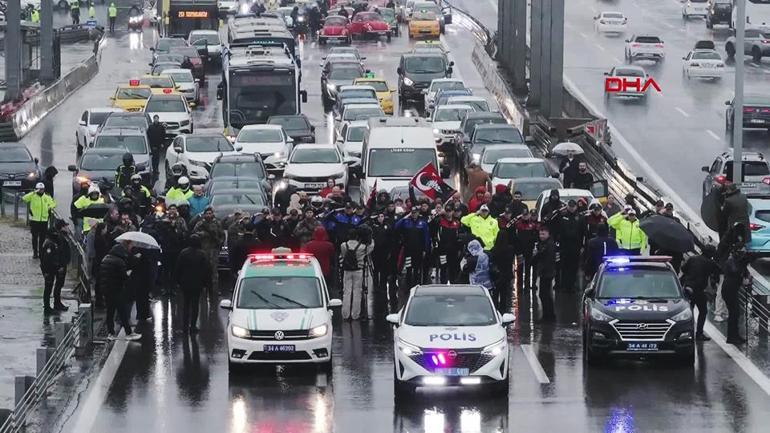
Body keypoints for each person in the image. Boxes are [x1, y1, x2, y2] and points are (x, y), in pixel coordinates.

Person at [99, 239, 142, 341]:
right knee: (122, 311)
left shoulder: (106, 258)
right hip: (116, 289)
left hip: (106, 289)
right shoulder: (119, 261)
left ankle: (111, 333)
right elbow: (124, 277)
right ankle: (128, 333)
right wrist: (129, 272)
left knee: (110, 312)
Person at [681, 244, 721, 342]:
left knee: (687, 312)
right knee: (703, 312)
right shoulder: (710, 263)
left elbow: (683, 269)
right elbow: (719, 270)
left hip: (688, 287)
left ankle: (685, 333)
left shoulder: (692, 258)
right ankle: (699, 334)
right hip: (698, 290)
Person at [174, 234, 212, 333]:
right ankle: (193, 326)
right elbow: (207, 270)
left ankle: (185, 326)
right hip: (197, 283)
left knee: (186, 305)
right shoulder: (202, 254)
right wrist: (206, 284)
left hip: (185, 283)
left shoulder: (183, 253)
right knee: (195, 305)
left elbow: (178, 268)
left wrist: (177, 281)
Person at [340, 228, 374, 320]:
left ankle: (345, 314)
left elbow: (343, 255)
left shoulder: (343, 245)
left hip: (347, 270)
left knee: (346, 292)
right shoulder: (362, 247)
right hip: (358, 270)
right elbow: (371, 247)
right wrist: (370, 237)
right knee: (357, 292)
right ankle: (355, 314)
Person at [395, 206, 431, 290]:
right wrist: (405, 217)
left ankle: (416, 287)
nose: (414, 214)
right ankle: (407, 287)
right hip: (408, 250)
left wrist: (426, 249)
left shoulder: (423, 223)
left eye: (416, 213)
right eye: (413, 213)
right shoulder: (406, 222)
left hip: (418, 250)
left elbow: (426, 237)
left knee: (416, 269)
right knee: (408, 269)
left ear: (418, 213)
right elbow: (396, 226)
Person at [40, 223, 71, 314]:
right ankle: (47, 306)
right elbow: (47, 259)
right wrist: (56, 267)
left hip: (55, 268)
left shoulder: (54, 241)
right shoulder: (50, 243)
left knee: (56, 286)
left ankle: (55, 304)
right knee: (48, 288)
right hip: (50, 270)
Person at [722, 247, 751, 345]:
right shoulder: (731, 261)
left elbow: (746, 274)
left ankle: (735, 334)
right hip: (728, 290)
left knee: (736, 313)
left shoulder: (740, 263)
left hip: (734, 290)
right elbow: (735, 271)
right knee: (733, 313)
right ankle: (731, 337)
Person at [193, 207, 224, 291]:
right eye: (207, 213)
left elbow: (222, 235)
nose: (208, 215)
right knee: (202, 269)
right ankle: (203, 287)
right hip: (203, 249)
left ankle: (214, 288)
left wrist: (219, 243)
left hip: (214, 249)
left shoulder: (217, 223)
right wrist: (203, 234)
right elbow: (194, 234)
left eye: (210, 213)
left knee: (214, 270)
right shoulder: (200, 224)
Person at [23, 183, 57, 258]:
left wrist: (49, 207)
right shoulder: (32, 196)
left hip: (44, 221)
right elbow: (24, 198)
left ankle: (41, 252)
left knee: (42, 238)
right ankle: (35, 252)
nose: (41, 191)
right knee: (34, 237)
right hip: (34, 220)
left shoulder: (47, 196)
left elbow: (54, 203)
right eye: (39, 189)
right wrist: (33, 192)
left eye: (42, 189)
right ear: (36, 189)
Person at [556, 200, 583, 291]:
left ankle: (572, 284)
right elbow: (559, 230)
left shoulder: (580, 217)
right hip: (565, 245)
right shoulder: (563, 216)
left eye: (573, 207)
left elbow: (583, 232)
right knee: (564, 266)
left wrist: (582, 246)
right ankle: (564, 285)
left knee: (574, 266)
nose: (571, 208)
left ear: (576, 207)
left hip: (576, 245)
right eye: (570, 207)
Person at [532, 226, 556, 321]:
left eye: (543, 234)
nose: (541, 236)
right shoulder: (543, 244)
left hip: (547, 272)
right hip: (545, 272)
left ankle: (547, 316)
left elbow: (542, 257)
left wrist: (536, 255)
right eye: (540, 234)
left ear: (548, 234)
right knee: (546, 295)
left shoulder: (548, 245)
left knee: (544, 294)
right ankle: (549, 315)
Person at [302, 226, 336, 292]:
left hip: (312, 270)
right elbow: (332, 257)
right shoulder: (329, 245)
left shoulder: (309, 245)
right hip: (326, 269)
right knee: (326, 288)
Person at [515, 209, 539, 289]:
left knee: (528, 268)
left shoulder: (533, 225)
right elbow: (516, 239)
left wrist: (534, 248)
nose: (525, 217)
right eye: (524, 215)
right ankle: (520, 286)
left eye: (526, 215)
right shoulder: (518, 224)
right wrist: (518, 251)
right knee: (520, 269)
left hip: (529, 250)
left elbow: (536, 238)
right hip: (520, 250)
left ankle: (528, 286)